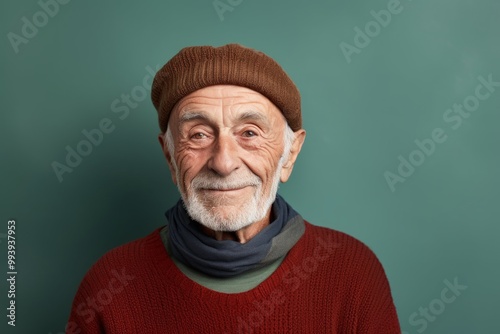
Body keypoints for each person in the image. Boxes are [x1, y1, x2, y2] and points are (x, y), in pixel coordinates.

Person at [67, 43, 401, 333]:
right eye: (198, 134)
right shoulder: (109, 285)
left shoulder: (351, 274)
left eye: (250, 133)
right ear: (170, 157)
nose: (224, 163)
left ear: (289, 155)